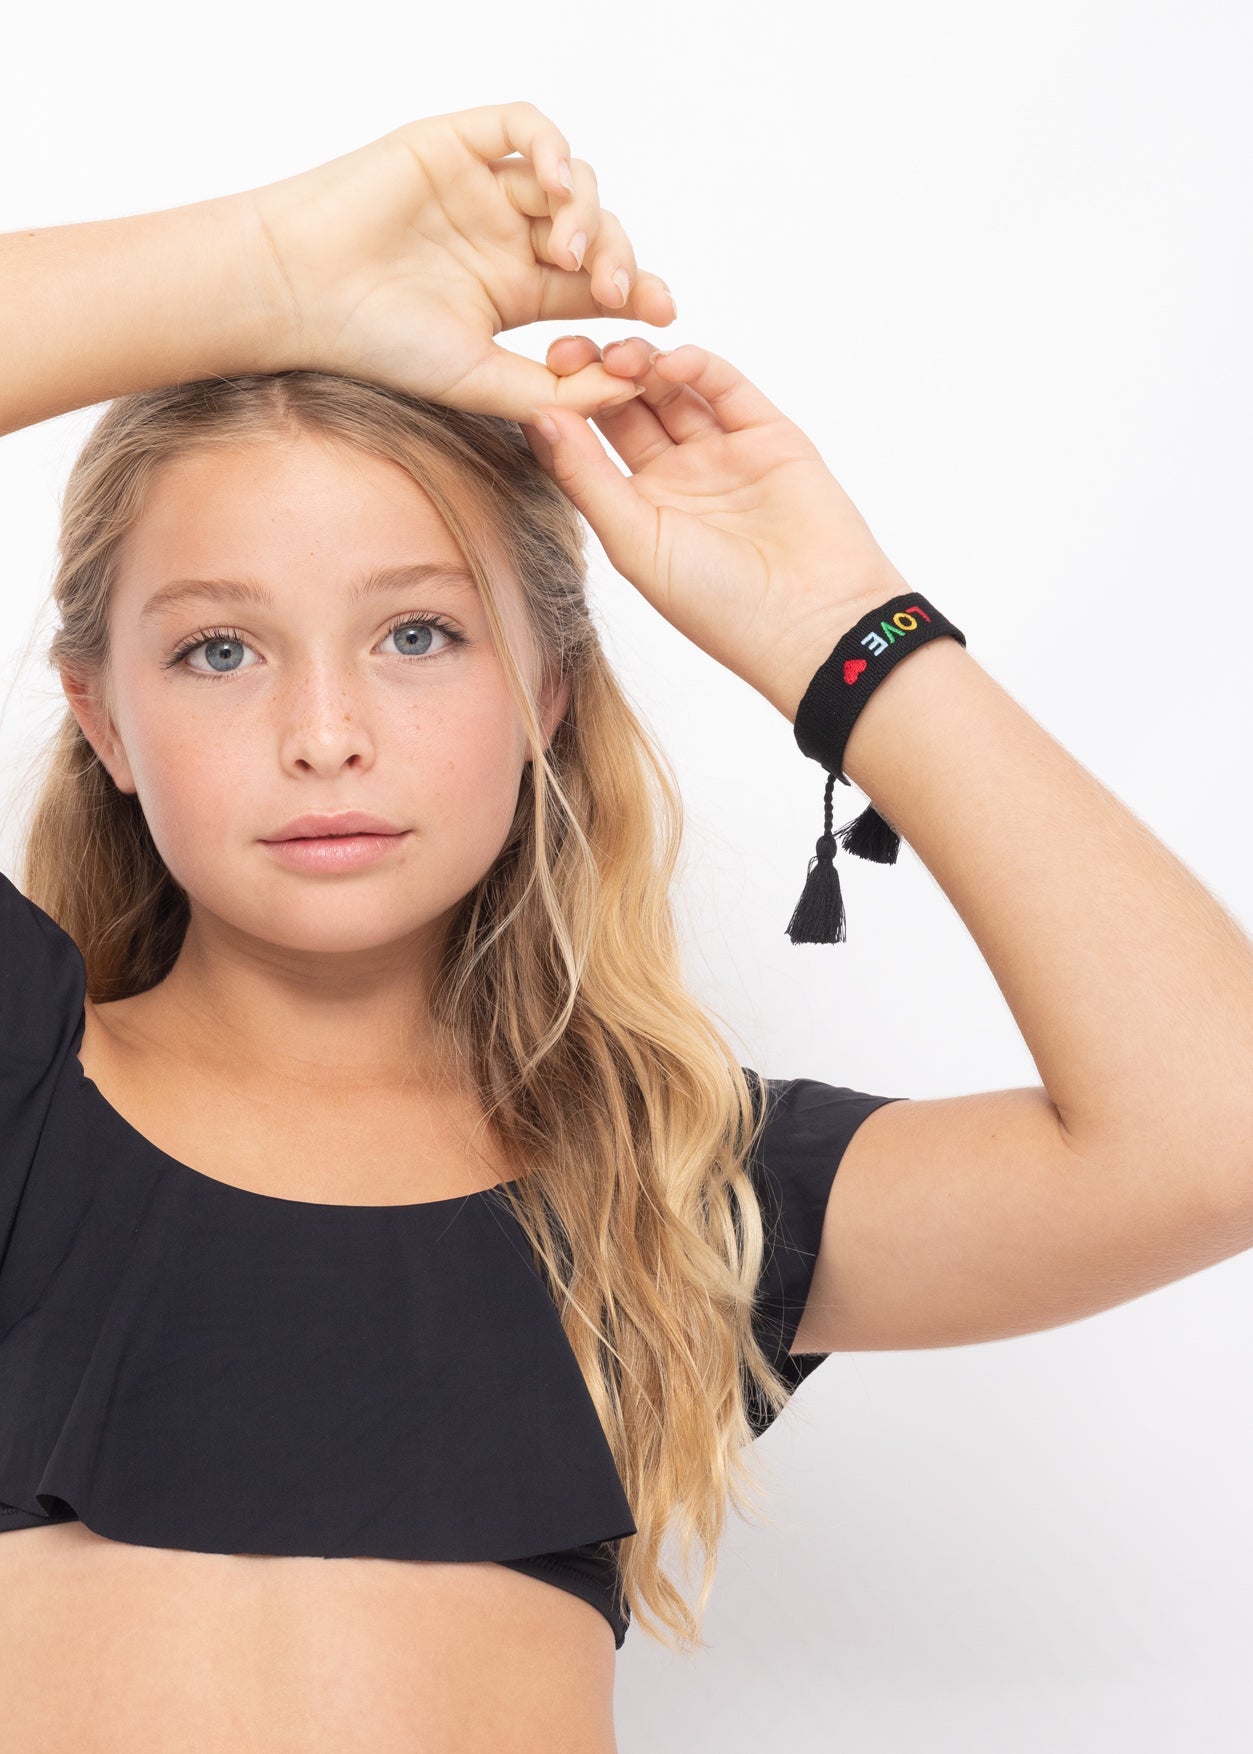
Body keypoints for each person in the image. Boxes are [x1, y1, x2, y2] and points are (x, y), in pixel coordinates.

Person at [0, 100, 1249, 1754]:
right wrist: (267, 271)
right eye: (218, 650)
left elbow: (1211, 1131)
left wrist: (844, 636)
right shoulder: (22, 1099)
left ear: (548, 690)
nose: (325, 733)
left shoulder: (660, 1188)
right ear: (101, 715)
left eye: (419, 634)